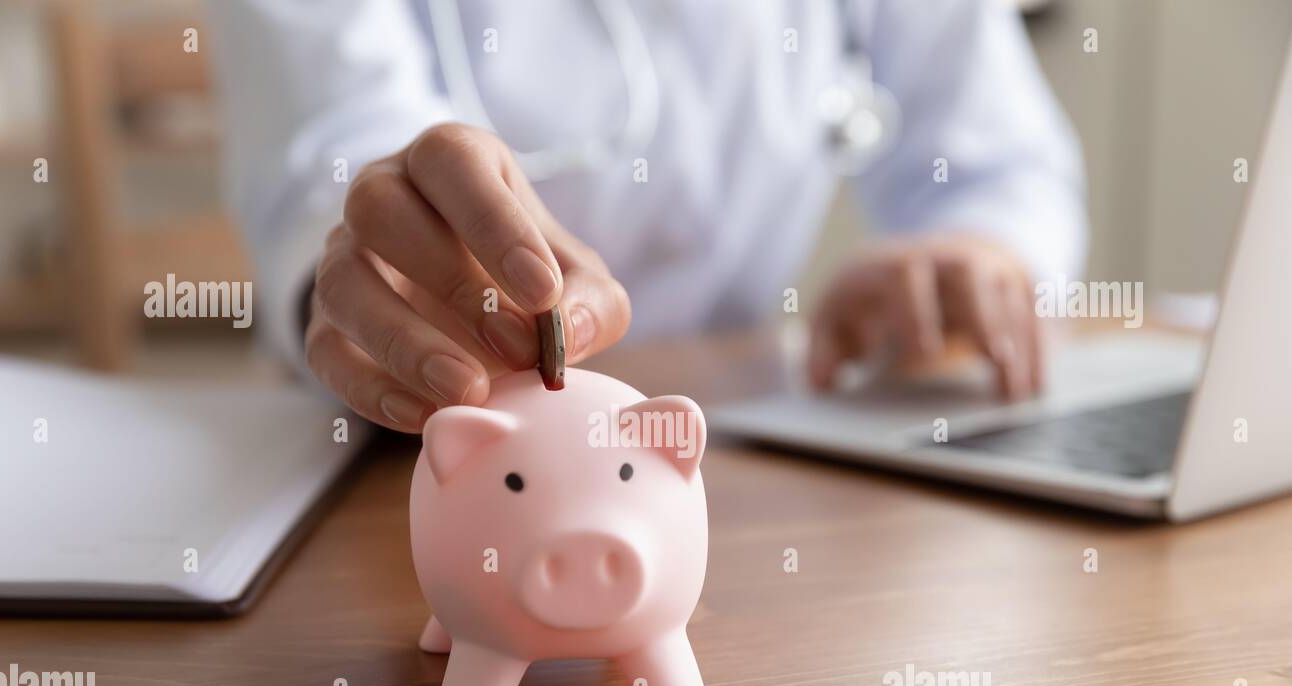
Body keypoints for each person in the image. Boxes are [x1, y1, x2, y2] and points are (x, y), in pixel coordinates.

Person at [206, 0, 1085, 432]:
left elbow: (1001, 161)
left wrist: (971, 252)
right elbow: (332, 144)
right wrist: (382, 244)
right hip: (396, 465)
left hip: (742, 456)